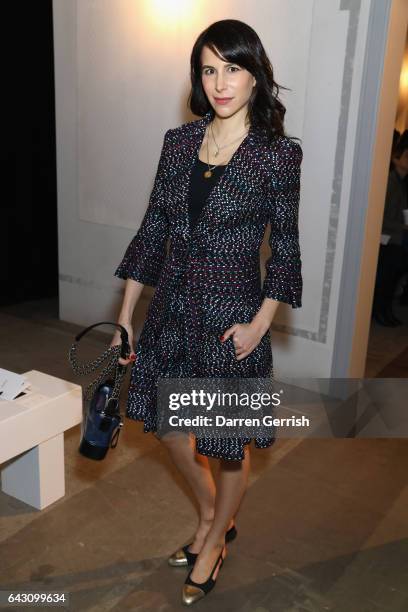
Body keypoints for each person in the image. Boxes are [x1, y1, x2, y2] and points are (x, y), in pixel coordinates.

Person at [110, 19, 303, 605]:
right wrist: (125, 315)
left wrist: (262, 322)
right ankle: (216, 515)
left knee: (224, 444)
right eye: (209, 69)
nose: (220, 83)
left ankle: (213, 538)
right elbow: (153, 231)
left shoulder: (277, 155)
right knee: (169, 432)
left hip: (231, 322)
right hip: (169, 311)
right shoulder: (177, 143)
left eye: (233, 68)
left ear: (255, 76)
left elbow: (287, 245)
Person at [373, 136, 408, 326]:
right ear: (397, 159)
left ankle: (385, 311)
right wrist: (402, 226)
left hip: (396, 240)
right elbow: (381, 216)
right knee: (385, 280)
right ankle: (380, 313)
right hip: (388, 240)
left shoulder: (401, 183)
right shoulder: (390, 182)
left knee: (391, 280)